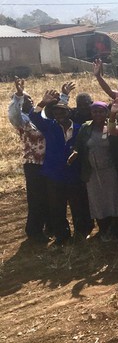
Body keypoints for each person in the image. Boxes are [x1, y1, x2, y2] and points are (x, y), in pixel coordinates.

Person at [29, 85, 92, 244]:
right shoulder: (49, 127)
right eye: (56, 113)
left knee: (78, 205)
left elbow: (85, 147)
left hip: (74, 174)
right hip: (54, 174)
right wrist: (43, 102)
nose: (59, 115)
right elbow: (34, 116)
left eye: (62, 112)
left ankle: (81, 233)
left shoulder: (80, 129)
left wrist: (77, 152)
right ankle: (62, 236)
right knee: (57, 206)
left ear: (69, 112)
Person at [68, 102, 118, 241]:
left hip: (111, 170)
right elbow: (78, 145)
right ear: (91, 113)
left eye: (101, 111)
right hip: (92, 171)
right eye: (95, 112)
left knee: (114, 199)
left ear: (106, 113)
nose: (98, 114)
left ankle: (117, 229)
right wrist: (75, 153)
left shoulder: (112, 128)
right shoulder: (85, 128)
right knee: (97, 200)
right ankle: (103, 229)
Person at [8, 77, 47, 243]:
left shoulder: (40, 117)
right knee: (36, 197)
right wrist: (18, 95)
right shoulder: (22, 120)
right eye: (25, 100)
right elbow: (14, 113)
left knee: (47, 196)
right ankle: (34, 231)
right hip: (33, 165)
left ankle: (47, 227)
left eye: (30, 98)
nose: (28, 101)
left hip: (48, 163)